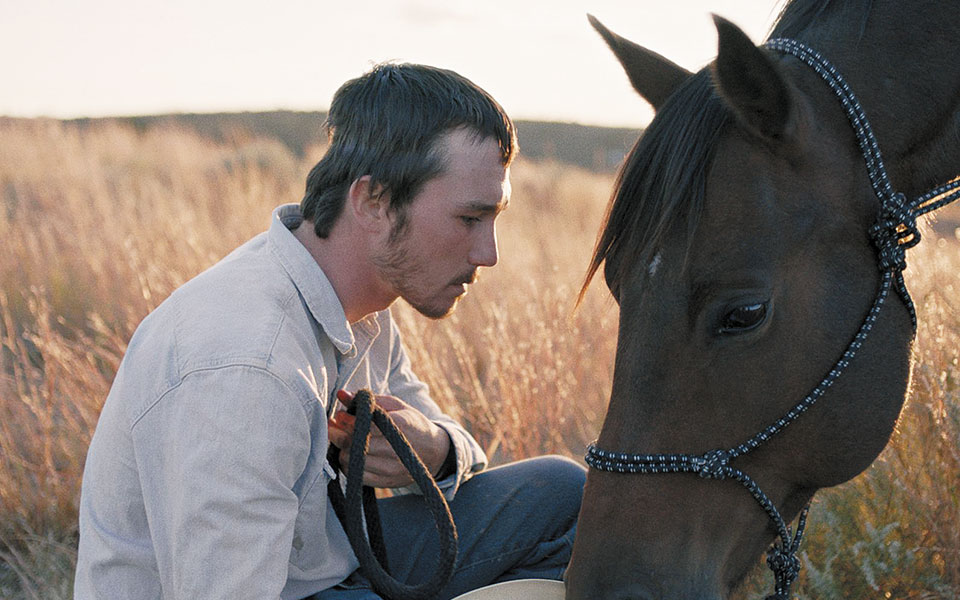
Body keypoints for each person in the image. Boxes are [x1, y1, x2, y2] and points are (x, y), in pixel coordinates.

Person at [74, 63, 586, 600]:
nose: (489, 254)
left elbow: (453, 447)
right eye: (469, 220)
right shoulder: (247, 368)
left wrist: (432, 449)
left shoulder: (362, 300)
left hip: (325, 557)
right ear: (374, 202)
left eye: (495, 219)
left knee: (565, 495)